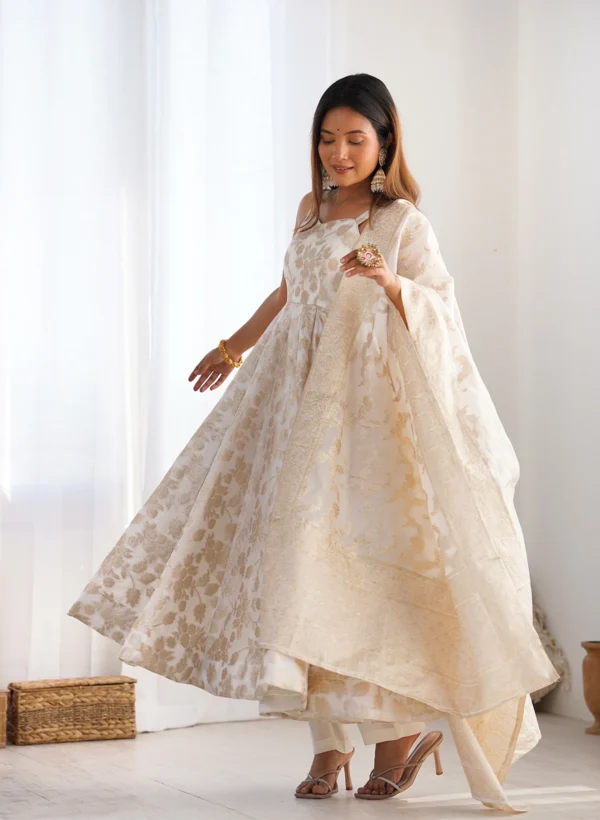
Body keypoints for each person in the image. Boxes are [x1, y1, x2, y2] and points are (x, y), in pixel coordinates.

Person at [68, 73, 559, 811]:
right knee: (291, 569)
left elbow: (442, 314)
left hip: (364, 420)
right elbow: (290, 292)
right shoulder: (312, 207)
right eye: (328, 140)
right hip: (288, 408)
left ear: (385, 142)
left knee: (353, 575)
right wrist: (233, 347)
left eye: (355, 140)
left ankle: (397, 738)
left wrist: (388, 281)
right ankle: (329, 744)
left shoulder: (402, 222)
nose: (339, 153)